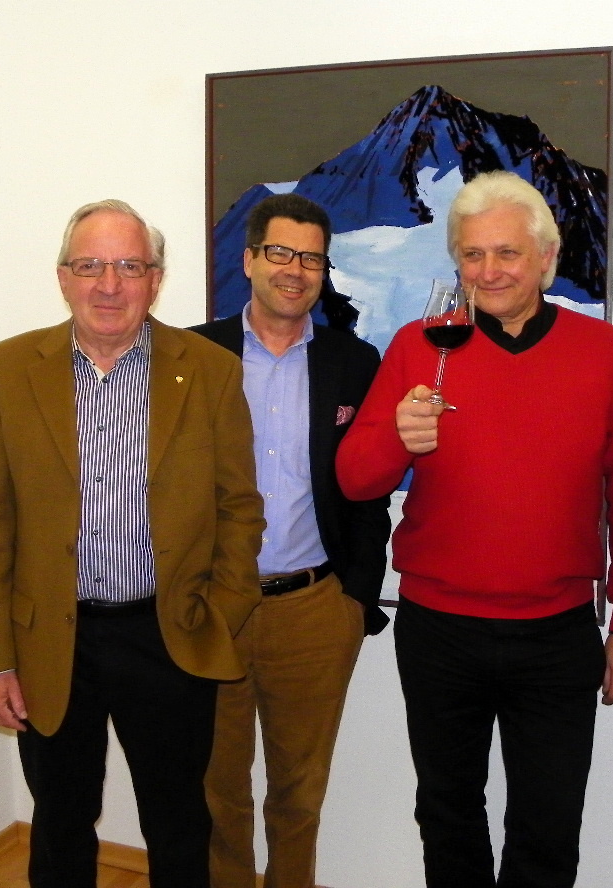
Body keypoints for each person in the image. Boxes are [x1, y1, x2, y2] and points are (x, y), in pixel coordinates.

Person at [336, 170, 613, 888]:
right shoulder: (419, 347)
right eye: (473, 255)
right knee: (447, 812)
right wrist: (395, 435)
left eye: (507, 253)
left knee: (549, 823)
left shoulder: (601, 351)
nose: (489, 271)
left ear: (546, 257)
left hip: (557, 634)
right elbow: (357, 480)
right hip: (438, 630)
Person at [0, 199, 264, 888]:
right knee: (60, 819)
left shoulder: (210, 369)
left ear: (156, 279)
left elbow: (239, 508)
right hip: (49, 640)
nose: (108, 285)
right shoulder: (6, 370)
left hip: (170, 633)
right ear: (62, 277)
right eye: (90, 265)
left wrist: (219, 615)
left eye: (129, 266)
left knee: (178, 820)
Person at [190, 193, 391, 888]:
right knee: (216, 792)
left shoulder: (354, 361)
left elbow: (369, 489)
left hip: (314, 610)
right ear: (249, 260)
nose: (295, 270)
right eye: (280, 252)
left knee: (300, 794)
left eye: (311, 258)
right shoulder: (192, 355)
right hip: (213, 609)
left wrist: (355, 599)